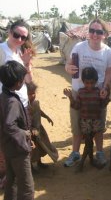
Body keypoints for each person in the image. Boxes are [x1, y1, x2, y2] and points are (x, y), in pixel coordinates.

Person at [64, 18, 111, 167]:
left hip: (98, 96)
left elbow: (108, 73)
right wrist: (68, 68)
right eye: (92, 30)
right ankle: (75, 153)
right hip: (78, 93)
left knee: (98, 125)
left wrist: (105, 88)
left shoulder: (108, 52)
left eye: (98, 31)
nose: (94, 34)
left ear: (104, 34)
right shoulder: (79, 47)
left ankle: (99, 153)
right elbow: (69, 64)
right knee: (77, 124)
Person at [0, 61, 34, 200]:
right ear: (19, 82)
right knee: (27, 187)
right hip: (18, 149)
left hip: (8, 146)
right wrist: (25, 135)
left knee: (11, 180)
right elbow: (10, 125)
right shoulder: (12, 102)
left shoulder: (4, 96)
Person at [64, 66, 110, 168]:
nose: (89, 85)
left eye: (92, 83)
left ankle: (95, 156)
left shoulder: (99, 92)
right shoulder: (81, 92)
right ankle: (86, 159)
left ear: (96, 81)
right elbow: (77, 106)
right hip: (85, 123)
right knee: (88, 143)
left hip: (96, 122)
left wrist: (107, 95)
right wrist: (71, 97)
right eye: (87, 83)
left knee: (96, 136)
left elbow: (103, 105)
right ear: (83, 81)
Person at [0, 19, 34, 108]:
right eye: (16, 35)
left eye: (23, 37)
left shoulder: (23, 52)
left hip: (23, 102)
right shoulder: (1, 50)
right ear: (9, 32)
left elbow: (28, 80)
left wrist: (27, 64)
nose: (19, 40)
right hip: (6, 104)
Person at [26, 81, 58, 171]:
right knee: (33, 150)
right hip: (31, 131)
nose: (32, 96)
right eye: (29, 94)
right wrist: (32, 129)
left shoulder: (36, 103)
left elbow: (39, 111)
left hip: (39, 129)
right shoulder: (24, 106)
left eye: (33, 93)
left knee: (42, 146)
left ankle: (40, 163)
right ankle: (31, 167)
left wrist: (47, 117)